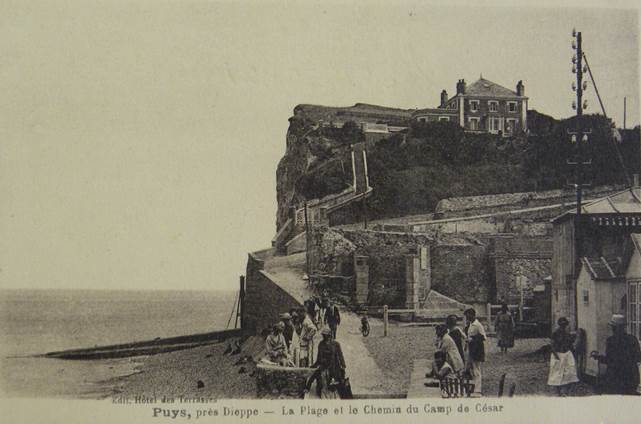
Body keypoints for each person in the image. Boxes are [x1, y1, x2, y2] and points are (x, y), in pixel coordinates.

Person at [591, 314, 641, 395]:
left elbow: (610, 360)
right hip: (631, 377)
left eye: (612, 327)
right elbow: (639, 358)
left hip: (616, 378)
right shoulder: (633, 339)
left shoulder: (611, 341)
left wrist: (597, 357)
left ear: (614, 328)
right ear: (624, 327)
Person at [304, 327, 346, 399]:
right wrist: (314, 366)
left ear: (330, 335)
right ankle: (308, 388)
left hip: (334, 367)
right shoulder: (321, 344)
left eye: (326, 335)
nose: (324, 337)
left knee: (337, 385)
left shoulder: (336, 344)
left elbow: (340, 355)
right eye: (323, 335)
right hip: (324, 366)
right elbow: (319, 358)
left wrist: (343, 365)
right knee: (317, 378)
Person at [547, 317, 579, 396]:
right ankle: (558, 391)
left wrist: (572, 352)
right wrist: (555, 355)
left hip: (566, 354)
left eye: (564, 325)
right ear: (559, 325)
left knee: (569, 372)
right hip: (558, 354)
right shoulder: (555, 333)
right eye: (562, 325)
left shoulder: (567, 334)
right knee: (556, 373)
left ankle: (565, 391)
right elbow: (552, 345)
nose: (563, 327)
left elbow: (570, 345)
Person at [464, 308, 486, 396]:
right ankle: (470, 387)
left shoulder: (478, 325)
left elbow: (483, 337)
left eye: (468, 315)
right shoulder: (470, 325)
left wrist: (472, 339)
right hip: (471, 349)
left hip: (477, 349)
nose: (467, 317)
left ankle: (478, 390)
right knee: (469, 369)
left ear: (472, 315)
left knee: (476, 369)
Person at [299, 303, 317, 367]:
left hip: (306, 343)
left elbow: (314, 329)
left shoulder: (307, 320)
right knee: (304, 357)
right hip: (304, 343)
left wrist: (307, 337)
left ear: (304, 312)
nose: (300, 314)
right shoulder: (304, 320)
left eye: (301, 313)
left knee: (304, 357)